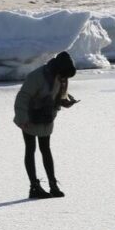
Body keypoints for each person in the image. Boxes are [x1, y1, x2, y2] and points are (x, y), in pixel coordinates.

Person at [13, 51, 79, 199]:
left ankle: (53, 185)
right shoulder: (37, 76)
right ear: (59, 69)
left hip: (46, 117)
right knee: (30, 149)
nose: (65, 79)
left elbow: (58, 95)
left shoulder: (60, 76)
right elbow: (22, 97)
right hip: (29, 117)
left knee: (46, 149)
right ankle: (34, 187)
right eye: (65, 75)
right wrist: (23, 119)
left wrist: (66, 101)